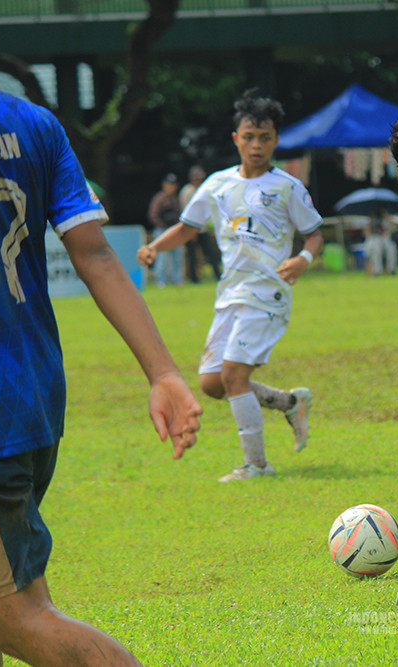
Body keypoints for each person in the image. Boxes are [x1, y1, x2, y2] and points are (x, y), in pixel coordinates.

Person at [0, 3, 204, 665]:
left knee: (18, 619)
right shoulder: (35, 122)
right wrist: (163, 372)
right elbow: (96, 254)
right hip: (28, 396)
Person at [138, 88, 323, 483]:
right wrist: (154, 246)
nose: (257, 145)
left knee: (234, 375)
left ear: (275, 140)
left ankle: (256, 464)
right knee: (212, 383)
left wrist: (302, 260)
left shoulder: (288, 187)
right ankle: (289, 402)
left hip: (268, 294)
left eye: (265, 138)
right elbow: (187, 228)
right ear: (236, 139)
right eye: (249, 137)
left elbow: (314, 235)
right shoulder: (217, 185)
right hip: (230, 294)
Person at [179, 164, 222, 282]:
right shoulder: (187, 191)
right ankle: (194, 278)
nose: (198, 180)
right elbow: (185, 210)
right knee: (192, 255)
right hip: (191, 227)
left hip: (203, 228)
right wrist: (190, 231)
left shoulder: (204, 189)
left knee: (211, 253)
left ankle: (218, 275)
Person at [146, 172, 183, 287]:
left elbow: (180, 214)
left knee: (177, 256)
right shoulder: (159, 198)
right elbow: (153, 214)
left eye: (173, 184)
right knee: (162, 256)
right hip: (162, 230)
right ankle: (160, 280)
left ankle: (177, 279)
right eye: (169, 184)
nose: (171, 187)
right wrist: (162, 225)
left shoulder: (175, 198)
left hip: (174, 230)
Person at [364, 204, 398, 276]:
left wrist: (388, 218)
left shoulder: (386, 219)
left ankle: (392, 269)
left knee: (392, 248)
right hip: (374, 239)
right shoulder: (370, 220)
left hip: (385, 238)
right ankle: (376, 270)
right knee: (376, 249)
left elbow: (395, 227)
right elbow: (366, 232)